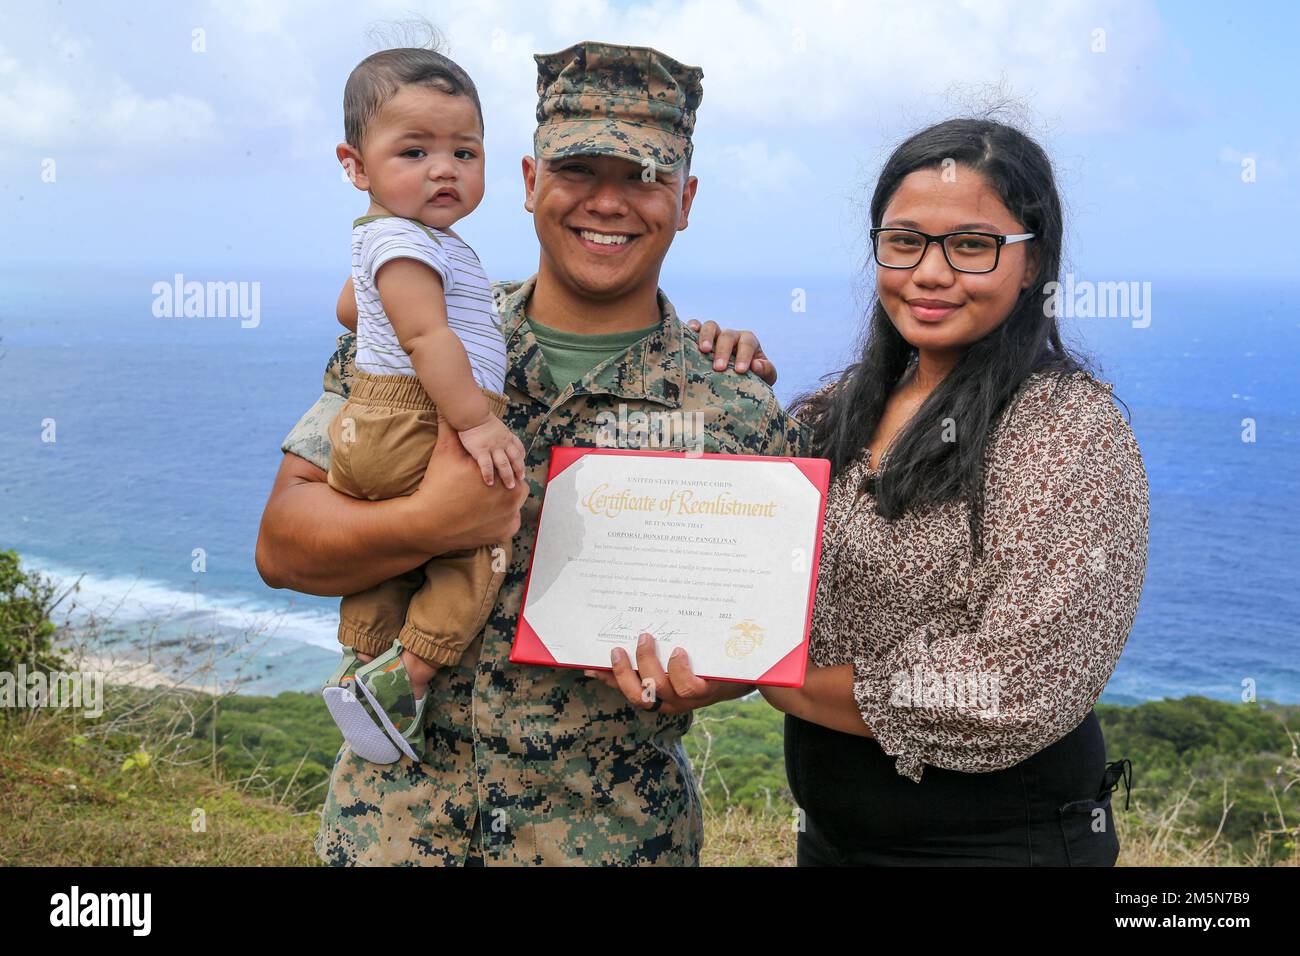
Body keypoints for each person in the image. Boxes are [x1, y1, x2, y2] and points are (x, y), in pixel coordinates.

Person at [255, 40, 803, 865]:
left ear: (684, 199)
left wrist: (713, 677)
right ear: (528, 182)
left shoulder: (732, 406)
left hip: (614, 842)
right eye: (580, 170)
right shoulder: (410, 342)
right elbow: (283, 545)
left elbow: (752, 642)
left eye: (645, 177)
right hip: (391, 834)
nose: (610, 203)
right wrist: (428, 522)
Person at [761, 118, 1149, 865]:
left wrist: (799, 688)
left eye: (971, 245)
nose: (929, 273)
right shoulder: (840, 408)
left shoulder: (1067, 429)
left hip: (998, 845)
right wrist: (719, 369)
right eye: (904, 240)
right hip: (834, 839)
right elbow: (746, 548)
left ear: (1032, 261)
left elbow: (1020, 681)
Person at [318, 47, 527, 765]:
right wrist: (475, 420)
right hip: (420, 418)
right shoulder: (409, 245)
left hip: (374, 424)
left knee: (389, 566)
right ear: (356, 165)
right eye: (415, 150)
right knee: (478, 549)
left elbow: (354, 310)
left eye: (464, 151)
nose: (445, 169)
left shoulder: (385, 240)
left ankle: (361, 667)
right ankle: (409, 674)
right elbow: (424, 335)